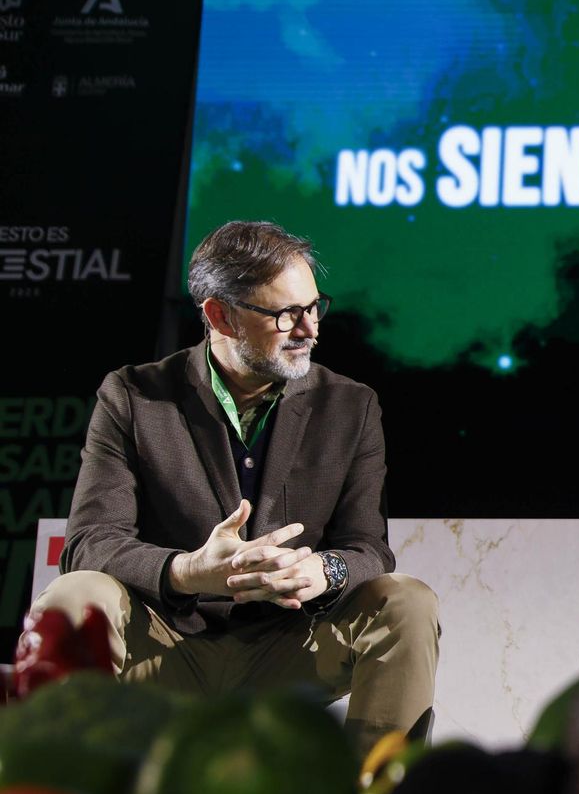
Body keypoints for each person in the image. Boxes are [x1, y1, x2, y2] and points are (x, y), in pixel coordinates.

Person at [31, 220, 439, 755]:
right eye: (285, 314)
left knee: (407, 601)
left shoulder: (351, 406)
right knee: (75, 596)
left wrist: (324, 570)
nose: (309, 329)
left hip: (289, 646)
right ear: (219, 315)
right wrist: (188, 572)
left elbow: (368, 548)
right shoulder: (133, 396)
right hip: (164, 643)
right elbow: (89, 544)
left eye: (315, 307)